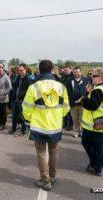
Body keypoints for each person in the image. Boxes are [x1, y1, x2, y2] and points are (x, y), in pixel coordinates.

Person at [22, 60, 69, 191]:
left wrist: (28, 120)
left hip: (39, 126)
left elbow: (26, 107)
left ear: (39, 70)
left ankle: (46, 181)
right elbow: (66, 108)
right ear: (52, 69)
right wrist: (59, 117)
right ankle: (52, 177)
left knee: (42, 153)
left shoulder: (34, 87)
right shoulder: (61, 86)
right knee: (54, 151)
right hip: (55, 125)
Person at [80, 67, 103, 176]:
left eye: (93, 76)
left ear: (99, 77)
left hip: (95, 124)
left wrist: (84, 97)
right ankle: (96, 166)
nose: (92, 78)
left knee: (87, 143)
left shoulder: (98, 90)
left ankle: (96, 166)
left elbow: (92, 106)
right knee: (99, 147)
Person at [9, 63, 32, 136]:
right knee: (14, 115)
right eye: (18, 70)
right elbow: (14, 84)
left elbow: (30, 91)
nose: (20, 72)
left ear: (25, 70)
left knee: (23, 116)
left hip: (23, 100)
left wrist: (23, 96)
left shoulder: (29, 79)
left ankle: (23, 130)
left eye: (21, 70)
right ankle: (13, 129)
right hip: (16, 99)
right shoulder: (18, 77)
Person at [68, 66, 88, 137]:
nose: (76, 73)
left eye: (77, 72)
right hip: (73, 104)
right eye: (75, 72)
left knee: (82, 119)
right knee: (75, 119)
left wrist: (82, 98)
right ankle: (76, 131)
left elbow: (88, 92)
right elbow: (68, 92)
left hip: (82, 103)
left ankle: (82, 132)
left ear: (81, 72)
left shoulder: (86, 80)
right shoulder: (70, 80)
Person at [0, 64, 12, 130]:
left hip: (3, 98)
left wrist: (4, 93)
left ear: (3, 70)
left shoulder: (6, 77)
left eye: (1, 70)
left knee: (3, 112)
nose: (0, 71)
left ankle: (3, 125)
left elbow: (9, 87)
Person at [62, 65, 74, 130]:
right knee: (64, 110)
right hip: (64, 95)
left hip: (70, 96)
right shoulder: (63, 76)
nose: (66, 71)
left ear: (70, 69)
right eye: (65, 70)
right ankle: (65, 123)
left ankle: (70, 125)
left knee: (70, 112)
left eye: (67, 70)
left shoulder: (72, 77)